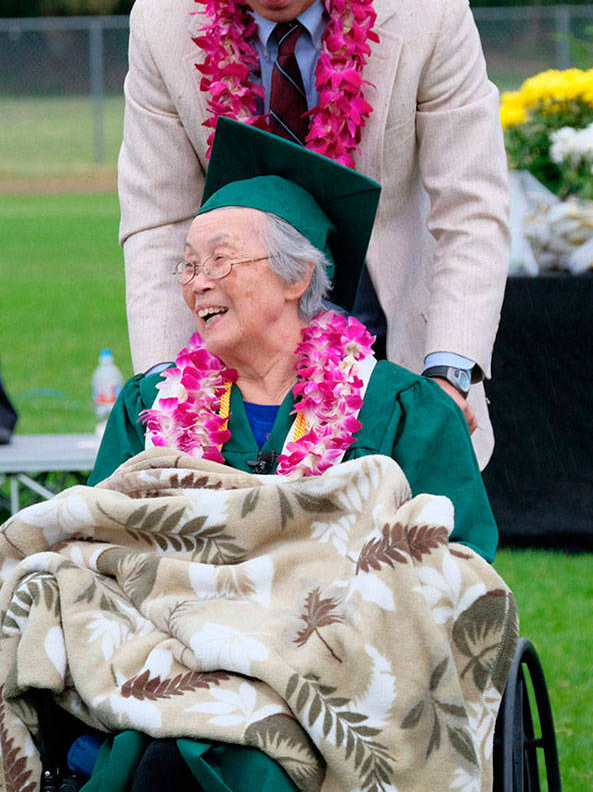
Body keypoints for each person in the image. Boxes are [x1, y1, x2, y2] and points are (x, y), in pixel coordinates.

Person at [82, 117, 502, 791]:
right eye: (189, 265)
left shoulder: (399, 408)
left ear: (296, 275)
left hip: (335, 680)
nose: (196, 283)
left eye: (220, 259)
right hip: (172, 662)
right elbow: (97, 541)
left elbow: (457, 565)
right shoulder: (149, 405)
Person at [118, 0, 509, 472]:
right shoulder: (161, 26)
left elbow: (472, 209)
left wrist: (447, 374)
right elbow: (158, 222)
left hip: (398, 379)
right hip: (230, 396)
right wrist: (166, 384)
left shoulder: (430, 9)